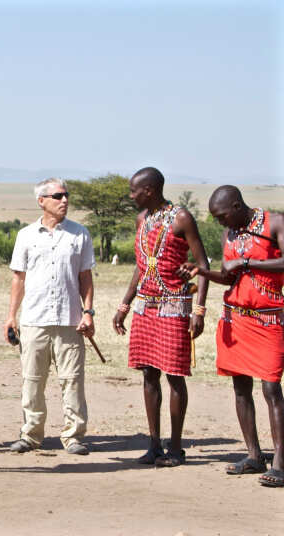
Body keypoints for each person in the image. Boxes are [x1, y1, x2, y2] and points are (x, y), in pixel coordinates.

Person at [179, 186, 284, 487]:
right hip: (236, 319)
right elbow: (228, 276)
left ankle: (280, 463)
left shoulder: (275, 223)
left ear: (237, 206)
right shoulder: (230, 234)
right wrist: (200, 271)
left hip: (268, 318)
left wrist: (248, 263)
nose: (220, 222)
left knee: (271, 389)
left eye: (222, 216)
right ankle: (254, 456)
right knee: (240, 388)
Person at [112, 167, 209, 467]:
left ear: (149, 190)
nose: (131, 196)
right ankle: (154, 445)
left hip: (174, 306)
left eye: (134, 191)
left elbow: (203, 265)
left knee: (174, 375)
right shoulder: (142, 219)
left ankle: (176, 449)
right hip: (145, 306)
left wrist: (199, 310)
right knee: (148, 374)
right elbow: (141, 265)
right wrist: (124, 304)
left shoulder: (181, 218)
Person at [3, 178, 95, 455]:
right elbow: (19, 278)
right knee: (32, 380)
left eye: (66, 195)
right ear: (41, 201)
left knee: (72, 380)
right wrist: (11, 316)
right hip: (34, 319)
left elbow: (85, 277)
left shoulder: (80, 234)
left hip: (70, 320)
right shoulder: (26, 235)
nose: (64, 200)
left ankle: (73, 436)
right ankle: (31, 435)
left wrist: (88, 312)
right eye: (58, 196)